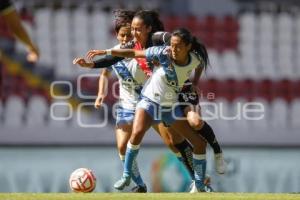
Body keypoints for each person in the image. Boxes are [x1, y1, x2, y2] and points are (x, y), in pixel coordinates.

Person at [73, 10, 205, 192]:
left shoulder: (146, 47)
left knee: (174, 142)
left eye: (132, 32)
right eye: (124, 34)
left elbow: (171, 43)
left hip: (152, 101)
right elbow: (107, 65)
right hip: (128, 104)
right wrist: (93, 71)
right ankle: (139, 185)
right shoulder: (122, 50)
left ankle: (199, 180)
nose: (128, 37)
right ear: (118, 35)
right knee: (122, 145)